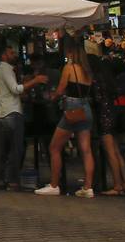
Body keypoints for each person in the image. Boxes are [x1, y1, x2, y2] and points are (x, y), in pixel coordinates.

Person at [35, 40, 97, 197]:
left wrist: (53, 96)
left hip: (72, 109)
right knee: (86, 149)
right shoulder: (88, 70)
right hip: (86, 109)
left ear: (71, 53)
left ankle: (54, 184)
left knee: (54, 147)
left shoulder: (70, 68)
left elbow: (61, 89)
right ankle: (88, 187)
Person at [0, 46, 47, 189]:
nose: (14, 54)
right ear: (4, 56)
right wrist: (36, 80)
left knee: (4, 150)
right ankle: (12, 180)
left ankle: (1, 179)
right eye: (11, 52)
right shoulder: (5, 69)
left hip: (3, 112)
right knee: (16, 149)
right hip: (13, 112)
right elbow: (15, 89)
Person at [94, 54, 125, 196]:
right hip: (114, 115)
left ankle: (117, 185)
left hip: (104, 117)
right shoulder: (111, 81)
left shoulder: (98, 80)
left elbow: (97, 99)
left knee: (111, 153)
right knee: (116, 152)